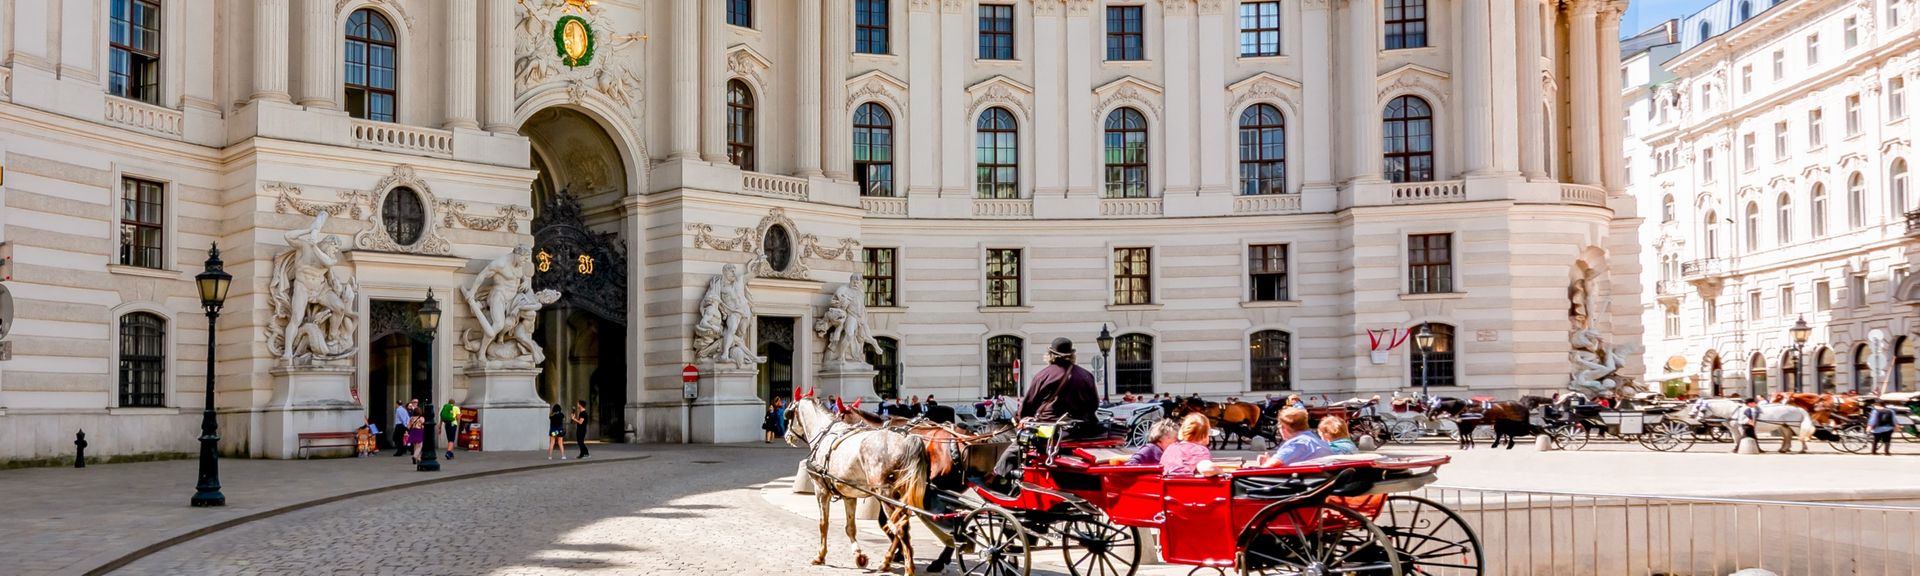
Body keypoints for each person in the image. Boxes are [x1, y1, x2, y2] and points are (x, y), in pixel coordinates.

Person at [1018, 338, 1101, 437]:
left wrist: (1021, 418)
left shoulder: (1043, 376)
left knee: (1012, 451)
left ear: (1050, 355)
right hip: (1081, 431)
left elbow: (1028, 405)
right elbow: (1094, 405)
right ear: (1072, 355)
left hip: (1049, 430)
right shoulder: (1086, 375)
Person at [1256, 408, 1332, 467]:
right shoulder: (1319, 442)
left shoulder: (1296, 443)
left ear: (1283, 427)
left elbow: (1270, 466)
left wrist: (1266, 463)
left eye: (1279, 427)